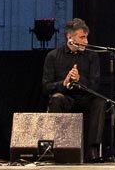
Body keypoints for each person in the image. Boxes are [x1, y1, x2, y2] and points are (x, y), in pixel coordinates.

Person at [42, 18, 106, 161]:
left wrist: (79, 80)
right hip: (66, 99)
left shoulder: (92, 56)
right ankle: (57, 148)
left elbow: (95, 85)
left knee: (100, 101)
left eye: (86, 37)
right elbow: (46, 87)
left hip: (85, 99)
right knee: (56, 99)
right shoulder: (53, 56)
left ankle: (93, 150)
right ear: (69, 37)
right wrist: (64, 83)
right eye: (82, 37)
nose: (86, 41)